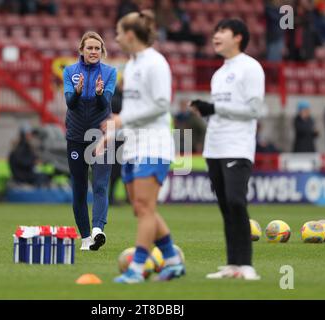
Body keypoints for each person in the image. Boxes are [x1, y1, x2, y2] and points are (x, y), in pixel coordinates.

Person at [98, 10, 186, 283]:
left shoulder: (155, 63)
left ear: (131, 35)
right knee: (140, 207)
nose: (115, 37)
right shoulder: (132, 65)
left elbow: (161, 104)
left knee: (145, 207)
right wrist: (111, 132)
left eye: (118, 32)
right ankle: (172, 260)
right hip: (134, 145)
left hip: (154, 144)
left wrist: (122, 118)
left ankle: (137, 268)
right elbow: (134, 108)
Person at [189, 18, 266, 280]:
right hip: (214, 147)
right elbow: (220, 113)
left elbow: (255, 110)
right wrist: (205, 111)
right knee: (225, 206)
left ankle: (247, 265)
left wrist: (216, 108)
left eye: (222, 31)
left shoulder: (251, 68)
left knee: (236, 201)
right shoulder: (219, 73)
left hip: (238, 146)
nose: (215, 36)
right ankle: (233, 265)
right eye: (215, 31)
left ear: (238, 37)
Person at [63, 31, 117, 251]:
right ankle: (85, 238)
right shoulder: (69, 71)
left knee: (101, 185)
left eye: (97, 48)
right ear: (82, 51)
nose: (94, 52)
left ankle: (97, 230)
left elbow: (105, 104)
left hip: (102, 137)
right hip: (76, 137)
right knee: (78, 188)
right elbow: (70, 104)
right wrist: (76, 92)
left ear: (102, 51)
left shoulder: (110, 72)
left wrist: (100, 93)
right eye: (90, 48)